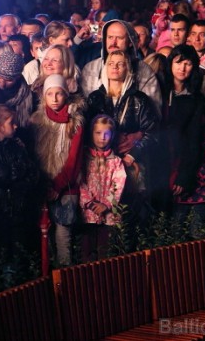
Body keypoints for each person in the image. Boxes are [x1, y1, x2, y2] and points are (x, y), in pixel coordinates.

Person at [86, 49, 159, 225]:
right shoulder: (95, 98)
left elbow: (153, 133)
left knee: (128, 217)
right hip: (100, 166)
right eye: (111, 63)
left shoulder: (139, 99)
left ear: (128, 69)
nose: (115, 67)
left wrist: (131, 155)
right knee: (98, 219)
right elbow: (88, 132)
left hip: (130, 165)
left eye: (120, 64)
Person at [30, 74, 85, 266]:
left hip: (66, 186)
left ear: (66, 95)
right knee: (45, 232)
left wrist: (58, 186)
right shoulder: (37, 120)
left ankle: (64, 275)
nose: (54, 99)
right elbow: (35, 156)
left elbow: (74, 160)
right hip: (43, 183)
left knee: (63, 233)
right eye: (50, 94)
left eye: (59, 94)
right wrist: (43, 184)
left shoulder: (74, 122)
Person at [0, 104, 40, 255]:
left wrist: (18, 181)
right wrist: (17, 175)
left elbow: (33, 173)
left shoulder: (17, 146)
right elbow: (0, 177)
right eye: (11, 123)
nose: (16, 126)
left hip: (18, 210)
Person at [161, 44, 205, 223]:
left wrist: (184, 175)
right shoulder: (158, 91)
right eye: (178, 62)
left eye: (188, 64)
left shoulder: (195, 99)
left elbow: (194, 140)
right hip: (157, 162)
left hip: (179, 163)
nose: (182, 68)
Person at [81, 19, 162, 117]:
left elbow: (154, 111)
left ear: (130, 42)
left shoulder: (144, 70)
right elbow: (85, 109)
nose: (113, 42)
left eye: (119, 38)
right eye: (110, 37)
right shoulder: (91, 68)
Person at [79, 114, 126, 262]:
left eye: (107, 133)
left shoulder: (116, 161)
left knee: (106, 253)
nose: (103, 137)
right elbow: (80, 182)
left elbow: (118, 184)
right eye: (98, 133)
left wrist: (106, 204)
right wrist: (91, 203)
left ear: (112, 136)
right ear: (91, 133)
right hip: (88, 215)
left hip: (109, 216)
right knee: (87, 252)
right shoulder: (84, 158)